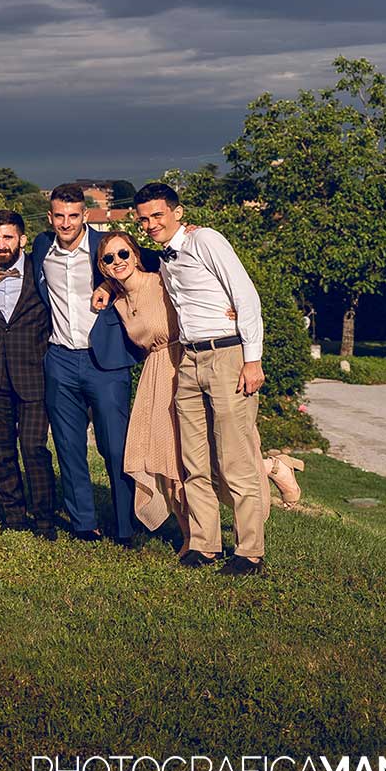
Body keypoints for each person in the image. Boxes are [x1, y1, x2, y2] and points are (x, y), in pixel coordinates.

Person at [132, 183, 270, 573]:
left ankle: (250, 552)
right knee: (193, 458)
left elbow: (246, 296)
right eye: (144, 218)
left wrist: (252, 359)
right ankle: (205, 544)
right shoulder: (166, 258)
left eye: (158, 215)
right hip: (188, 360)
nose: (151, 223)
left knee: (235, 457)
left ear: (177, 212)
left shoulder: (206, 240)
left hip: (227, 355)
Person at [30, 183, 139, 545]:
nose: (66, 223)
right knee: (68, 445)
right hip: (59, 358)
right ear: (50, 217)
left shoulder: (106, 246)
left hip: (105, 362)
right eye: (59, 216)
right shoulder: (42, 247)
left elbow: (147, 261)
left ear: (85, 216)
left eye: (73, 216)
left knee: (116, 446)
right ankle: (83, 523)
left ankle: (126, 525)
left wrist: (111, 283)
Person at [92, 229, 188, 546]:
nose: (118, 261)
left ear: (135, 254)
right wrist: (107, 287)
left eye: (124, 253)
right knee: (162, 459)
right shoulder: (117, 302)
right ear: (103, 267)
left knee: (193, 454)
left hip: (182, 364)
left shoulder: (162, 279)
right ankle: (191, 538)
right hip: (154, 372)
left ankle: (270, 468)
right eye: (109, 258)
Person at [0, 211, 57, 539]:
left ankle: (44, 518)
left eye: (8, 237)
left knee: (34, 448)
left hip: (34, 375)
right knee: (0, 449)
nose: (2, 245)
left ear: (22, 239)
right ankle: (14, 515)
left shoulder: (41, 268)